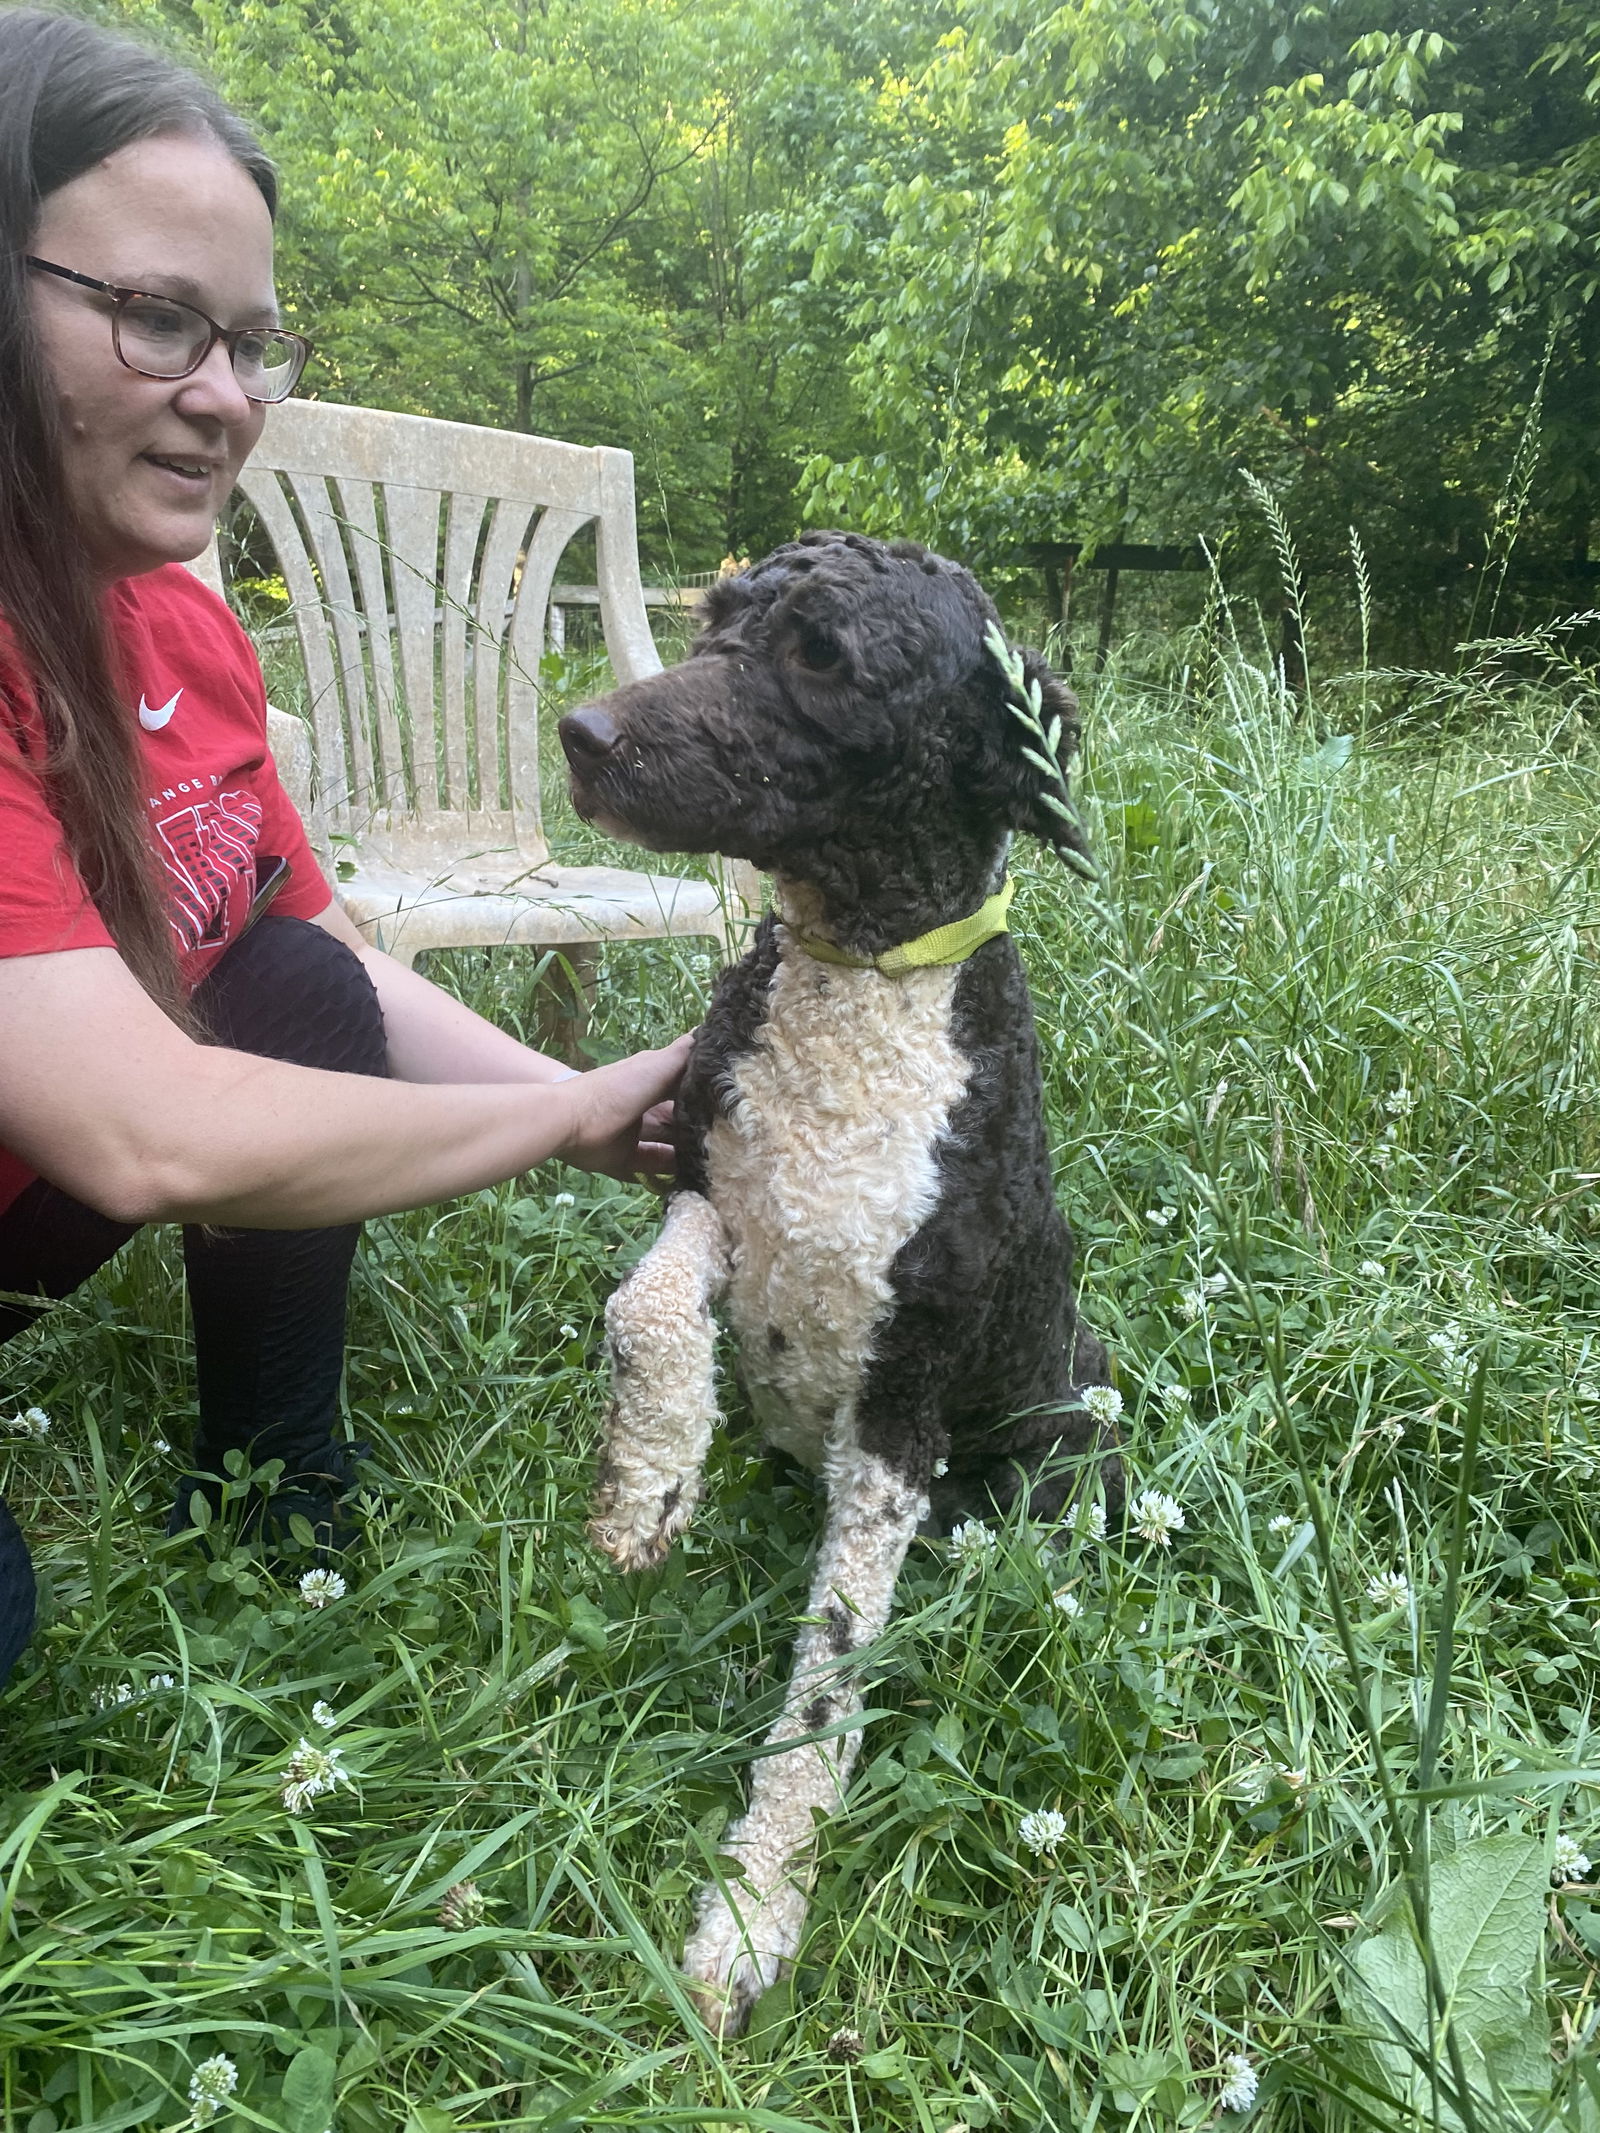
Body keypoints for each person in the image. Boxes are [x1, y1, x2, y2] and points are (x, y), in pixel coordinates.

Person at [0, 7, 691, 1685]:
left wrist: (570, 1114)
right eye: (159, 320)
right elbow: (147, 1135)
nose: (228, 399)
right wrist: (577, 1111)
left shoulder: (174, 614)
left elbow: (325, 956)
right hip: (78, 1146)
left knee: (294, 974)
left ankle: (273, 1491)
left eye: (251, 339)